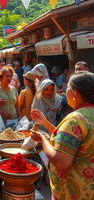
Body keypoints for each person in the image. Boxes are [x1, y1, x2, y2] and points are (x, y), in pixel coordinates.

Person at [31, 72, 94, 200]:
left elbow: (61, 161)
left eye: (68, 89)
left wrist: (43, 139)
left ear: (75, 93)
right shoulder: (87, 116)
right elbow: (70, 141)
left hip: (73, 192)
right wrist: (45, 123)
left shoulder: (75, 119)